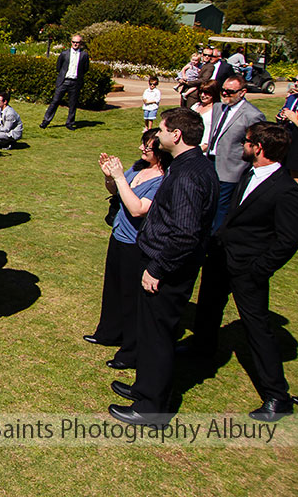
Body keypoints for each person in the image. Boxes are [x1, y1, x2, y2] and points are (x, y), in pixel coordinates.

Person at [183, 122, 298, 421]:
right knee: (209, 307)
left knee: (256, 327)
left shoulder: (285, 190)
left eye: (247, 142)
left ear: (259, 148)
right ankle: (202, 348)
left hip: (248, 269)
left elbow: (290, 239)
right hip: (221, 257)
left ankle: (277, 396)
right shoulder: (248, 173)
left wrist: (260, 268)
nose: (243, 146)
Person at [108, 107, 219, 426]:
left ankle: (152, 408)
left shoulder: (187, 175)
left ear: (177, 135)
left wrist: (158, 267)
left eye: (161, 129)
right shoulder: (192, 164)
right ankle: (145, 388)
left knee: (158, 336)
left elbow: (185, 233)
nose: (156, 134)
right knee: (150, 331)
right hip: (165, 262)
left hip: (168, 269)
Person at [88, 129, 169, 370]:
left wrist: (120, 177)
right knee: (113, 288)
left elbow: (137, 209)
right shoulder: (139, 169)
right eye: (142, 145)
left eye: (148, 147)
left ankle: (130, 350)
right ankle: (109, 332)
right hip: (119, 236)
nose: (142, 149)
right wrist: (110, 178)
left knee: (132, 298)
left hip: (138, 244)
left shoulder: (163, 180)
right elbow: (117, 193)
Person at [202, 74, 266, 232]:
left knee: (221, 208)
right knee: (207, 203)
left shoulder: (252, 115)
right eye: (223, 90)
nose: (224, 94)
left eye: (230, 92)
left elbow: (256, 146)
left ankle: (215, 241)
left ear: (242, 92)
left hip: (231, 168)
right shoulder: (219, 107)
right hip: (210, 162)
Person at [41, 34, 89, 130]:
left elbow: (85, 69)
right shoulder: (64, 53)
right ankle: (46, 121)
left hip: (75, 82)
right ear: (71, 42)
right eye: (74, 42)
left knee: (73, 104)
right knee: (55, 101)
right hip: (64, 81)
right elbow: (59, 67)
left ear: (81, 43)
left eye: (78, 42)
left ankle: (70, 123)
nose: (75, 44)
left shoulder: (84, 55)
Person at [192, 80, 220, 151]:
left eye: (207, 93)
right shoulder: (195, 106)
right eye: (201, 92)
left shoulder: (216, 111)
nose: (202, 95)